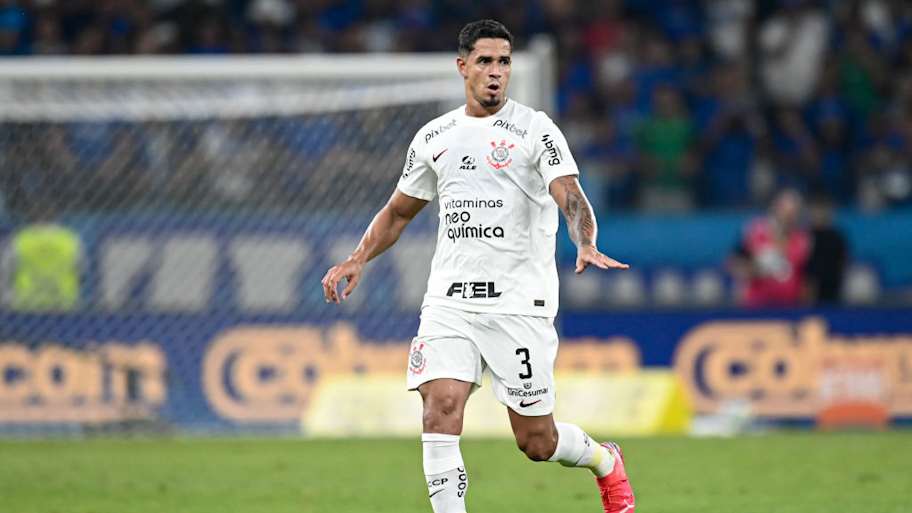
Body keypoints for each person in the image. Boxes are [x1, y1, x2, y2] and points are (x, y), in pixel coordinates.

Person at [321, 19, 636, 513]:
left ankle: (604, 460)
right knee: (439, 409)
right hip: (450, 303)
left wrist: (585, 239)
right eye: (485, 61)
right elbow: (398, 212)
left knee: (537, 442)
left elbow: (569, 194)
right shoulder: (435, 137)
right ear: (462, 66)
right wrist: (358, 258)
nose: (495, 72)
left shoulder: (534, 129)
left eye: (504, 62)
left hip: (519, 306)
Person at [729, 189, 810, 307]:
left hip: (790, 308)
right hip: (756, 307)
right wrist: (755, 271)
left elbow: (806, 281)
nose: (788, 217)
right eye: (785, 211)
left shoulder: (803, 240)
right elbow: (734, 264)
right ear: (775, 209)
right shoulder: (754, 232)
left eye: (793, 213)